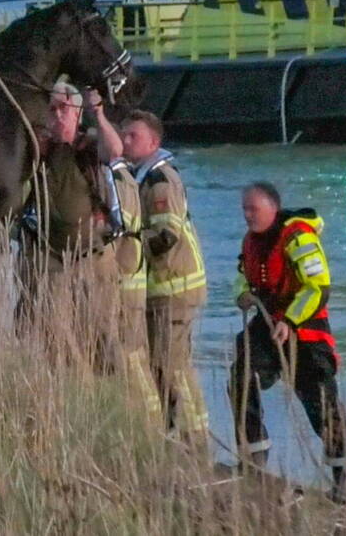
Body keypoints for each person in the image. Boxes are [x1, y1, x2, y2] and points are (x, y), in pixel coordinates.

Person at [16, 80, 160, 419]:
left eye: (64, 108)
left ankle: (123, 414)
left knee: (103, 341)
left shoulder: (88, 145)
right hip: (50, 260)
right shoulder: (40, 148)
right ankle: (69, 409)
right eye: (52, 108)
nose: (58, 114)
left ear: (77, 113)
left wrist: (98, 113)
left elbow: (114, 151)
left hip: (91, 260)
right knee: (54, 341)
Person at [230, 182, 346, 496]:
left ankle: (341, 479)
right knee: (241, 377)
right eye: (244, 209)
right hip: (267, 323)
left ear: (272, 207)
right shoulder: (251, 240)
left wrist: (291, 320)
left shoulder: (299, 238)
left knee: (321, 403)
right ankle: (254, 455)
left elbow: (318, 287)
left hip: (305, 328)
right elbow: (244, 274)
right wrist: (241, 293)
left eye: (252, 209)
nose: (246, 215)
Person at [121, 109, 209, 442]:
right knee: (163, 364)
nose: (127, 141)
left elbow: (166, 235)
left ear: (154, 142)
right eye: (124, 135)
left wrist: (125, 248)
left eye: (134, 136)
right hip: (164, 288)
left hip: (174, 287)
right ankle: (176, 431)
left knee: (173, 366)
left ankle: (194, 439)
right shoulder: (142, 176)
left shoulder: (160, 180)